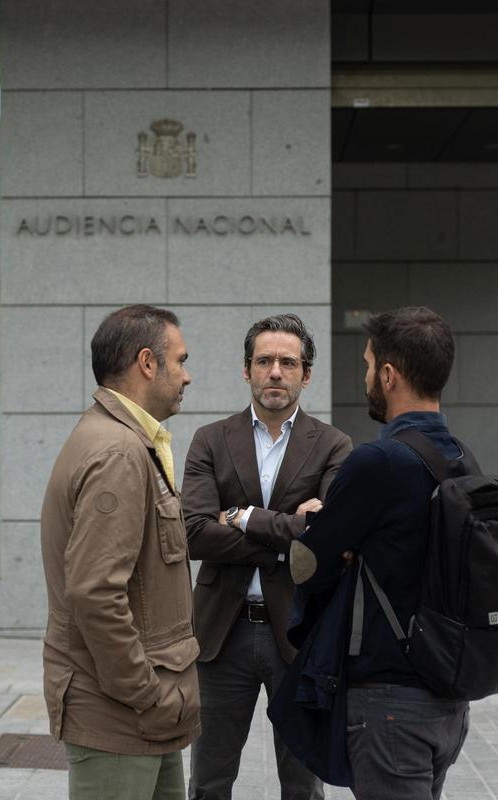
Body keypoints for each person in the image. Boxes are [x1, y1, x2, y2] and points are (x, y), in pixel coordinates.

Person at [288, 306, 470, 800]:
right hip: (448, 700)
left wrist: (313, 526)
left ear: (389, 376)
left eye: (368, 365)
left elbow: (306, 565)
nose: (365, 375)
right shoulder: (459, 458)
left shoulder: (379, 461)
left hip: (390, 703)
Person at [182, 314, 351, 800]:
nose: (275, 371)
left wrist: (239, 515)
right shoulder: (210, 441)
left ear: (306, 373)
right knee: (209, 782)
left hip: (297, 634)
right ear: (246, 370)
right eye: (264, 361)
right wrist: (288, 532)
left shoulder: (334, 445)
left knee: (303, 785)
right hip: (222, 631)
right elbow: (194, 534)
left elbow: (326, 539)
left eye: (287, 362)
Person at [40, 304, 199, 800]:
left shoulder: (127, 441)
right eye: (181, 360)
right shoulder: (119, 453)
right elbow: (94, 593)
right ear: (147, 363)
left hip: (143, 716)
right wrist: (147, 694)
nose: (187, 376)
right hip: (123, 715)